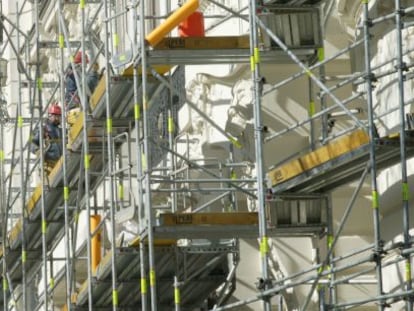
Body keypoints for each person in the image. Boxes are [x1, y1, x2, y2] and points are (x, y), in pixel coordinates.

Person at [31, 103, 63, 173]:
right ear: (50, 115)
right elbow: (31, 143)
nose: (57, 119)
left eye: (59, 116)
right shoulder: (44, 128)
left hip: (61, 163)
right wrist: (37, 150)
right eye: (55, 116)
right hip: (49, 164)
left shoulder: (60, 130)